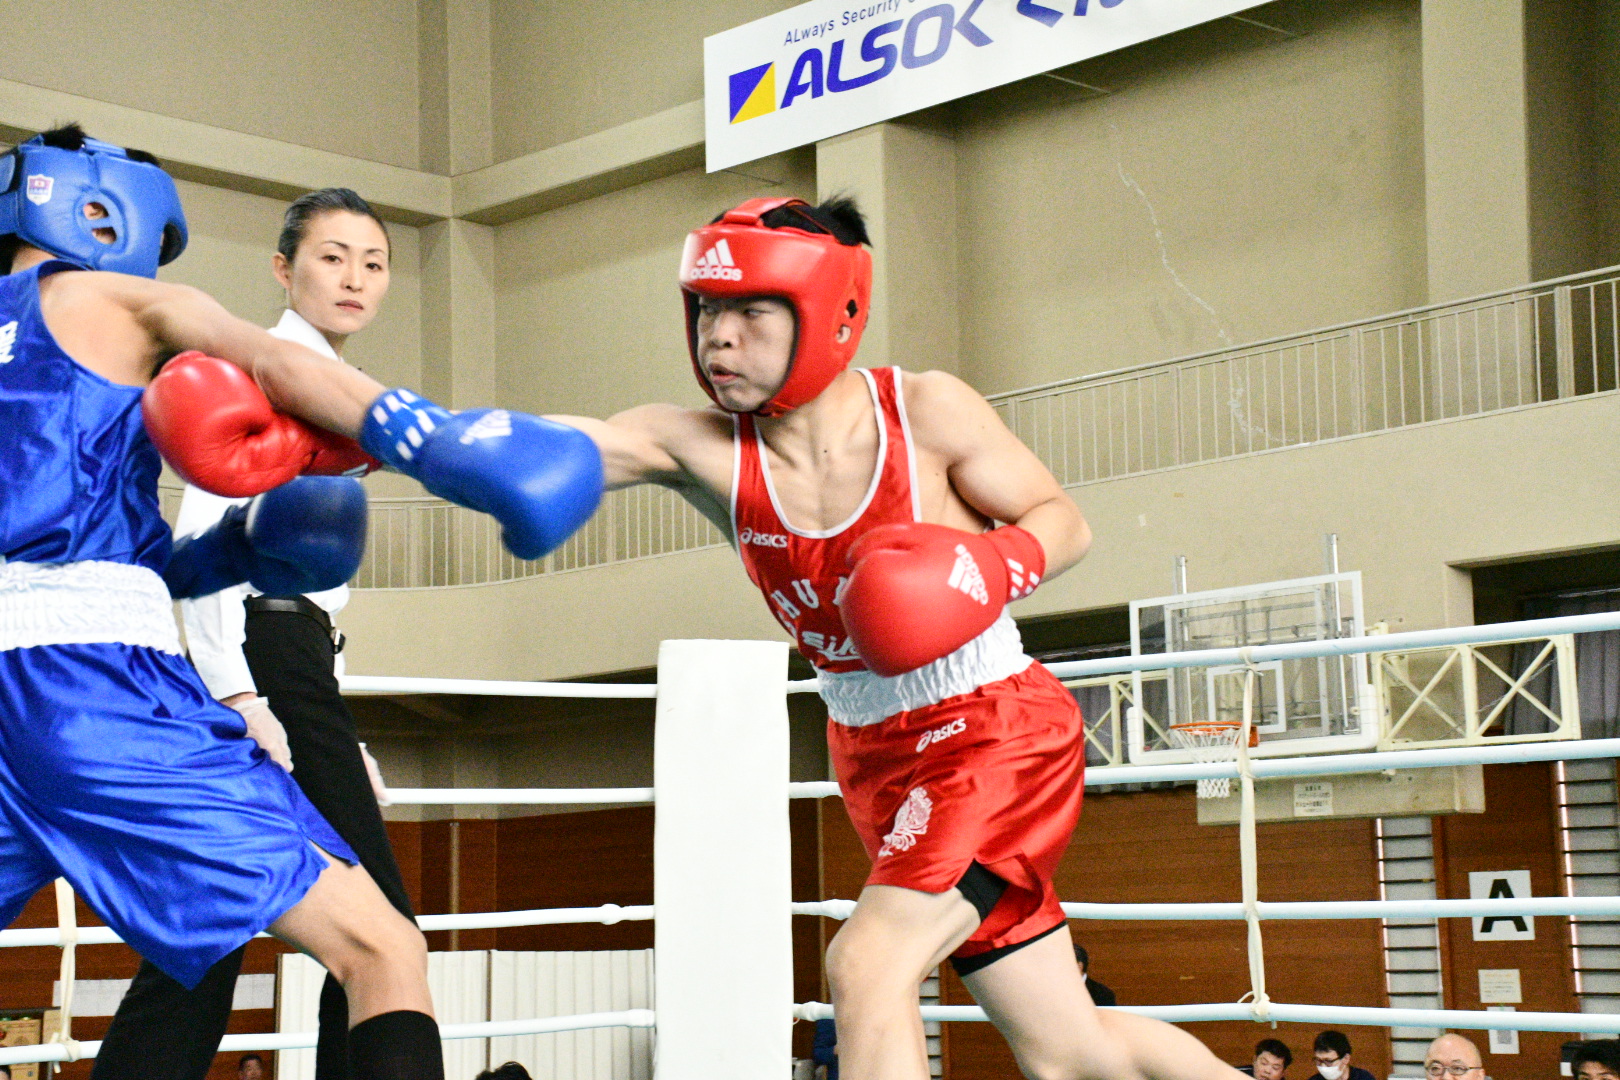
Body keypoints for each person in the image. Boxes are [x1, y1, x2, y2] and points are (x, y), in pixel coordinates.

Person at [550, 195, 1245, 1080]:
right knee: (1074, 1052)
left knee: (866, 966)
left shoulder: (925, 412)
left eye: (750, 311)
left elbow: (1061, 519)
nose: (719, 339)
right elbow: (564, 447)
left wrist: (982, 571)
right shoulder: (698, 445)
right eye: (707, 310)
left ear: (831, 310)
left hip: (992, 726)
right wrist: (403, 436)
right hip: (873, 750)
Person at [0, 124, 601, 1080]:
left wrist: (232, 550)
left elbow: (65, 556)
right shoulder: (119, 297)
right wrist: (429, 440)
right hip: (98, 694)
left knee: (202, 951)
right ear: (103, 204)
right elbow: (268, 365)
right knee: (383, 950)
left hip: (45, 674)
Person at [92, 188, 415, 1080]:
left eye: (373, 262)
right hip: (263, 659)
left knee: (210, 929)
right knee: (380, 930)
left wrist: (326, 725)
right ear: (284, 268)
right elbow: (207, 549)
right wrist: (242, 698)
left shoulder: (312, 380)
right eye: (331, 257)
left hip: (288, 661)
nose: (354, 278)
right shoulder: (267, 377)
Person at [1305, 1032, 1374, 1080]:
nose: (1323, 1066)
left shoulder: (1363, 1077)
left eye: (1328, 1061)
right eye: (1318, 1060)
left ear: (1346, 1059)